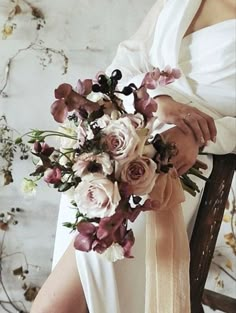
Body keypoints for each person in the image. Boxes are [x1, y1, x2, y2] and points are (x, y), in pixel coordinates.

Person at [30, 0, 236, 312]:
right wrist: (157, 99)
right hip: (115, 140)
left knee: (58, 306)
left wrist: (201, 134)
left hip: (174, 163)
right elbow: (124, 63)